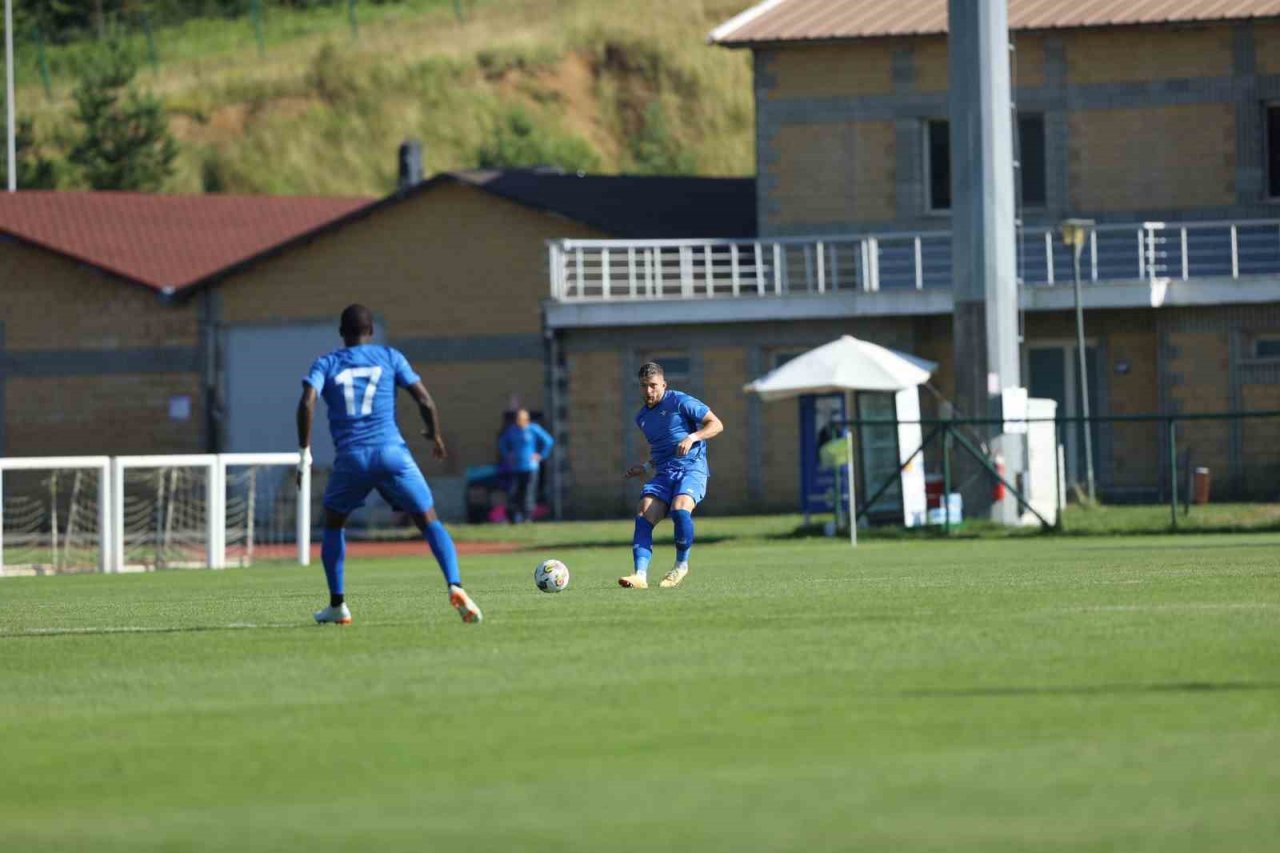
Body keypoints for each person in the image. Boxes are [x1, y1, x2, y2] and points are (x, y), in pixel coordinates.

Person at [295, 304, 482, 626]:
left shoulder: (326, 363)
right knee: (429, 519)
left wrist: (304, 453)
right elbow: (424, 400)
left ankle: (338, 605)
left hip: (352, 457)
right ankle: (455, 584)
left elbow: (307, 400)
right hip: (392, 453)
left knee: (334, 523)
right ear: (371, 332)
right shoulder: (390, 357)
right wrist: (434, 436)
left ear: (342, 333)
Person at [619, 362, 724, 589]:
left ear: (664, 385)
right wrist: (646, 467)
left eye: (653, 386)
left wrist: (692, 437)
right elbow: (664, 449)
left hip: (692, 468)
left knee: (679, 508)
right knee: (644, 512)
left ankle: (680, 566)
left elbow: (716, 424)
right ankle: (640, 575)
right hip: (665, 472)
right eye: (644, 386)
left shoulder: (680, 401)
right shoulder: (642, 418)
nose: (649, 391)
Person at [498, 409, 554, 524]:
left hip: (530, 467)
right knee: (514, 492)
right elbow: (502, 443)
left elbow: (548, 441)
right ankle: (513, 517)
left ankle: (526, 517)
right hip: (515, 467)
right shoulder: (512, 430)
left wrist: (540, 455)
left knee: (528, 493)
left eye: (523, 419)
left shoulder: (533, 429)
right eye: (518, 419)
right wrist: (508, 455)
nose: (520, 422)